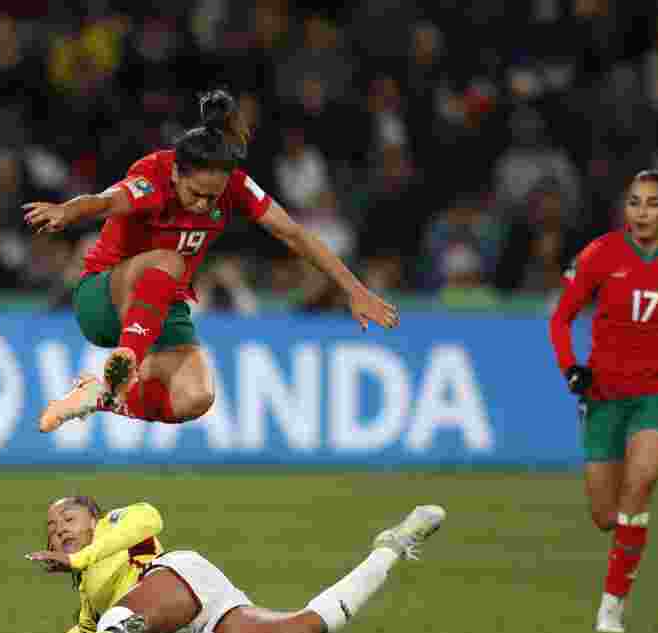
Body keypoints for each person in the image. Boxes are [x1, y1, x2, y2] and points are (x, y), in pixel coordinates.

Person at [25, 90, 398, 431]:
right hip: (103, 297)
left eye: (213, 197)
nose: (205, 204)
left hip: (159, 304)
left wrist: (354, 290)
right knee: (171, 261)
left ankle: (98, 395)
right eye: (197, 194)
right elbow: (104, 202)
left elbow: (294, 234)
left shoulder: (234, 186)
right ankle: (127, 359)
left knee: (195, 396)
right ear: (175, 173)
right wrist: (67, 211)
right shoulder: (152, 178)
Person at [549, 170, 658, 633]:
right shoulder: (600, 254)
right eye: (634, 203)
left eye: (652, 204)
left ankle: (612, 605)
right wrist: (572, 367)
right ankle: (622, 558)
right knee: (605, 516)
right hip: (605, 395)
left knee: (642, 480)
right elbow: (562, 318)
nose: (642, 213)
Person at [23, 496, 445, 633]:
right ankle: (391, 545)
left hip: (180, 579)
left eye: (68, 518)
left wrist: (78, 556)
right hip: (191, 632)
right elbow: (80, 631)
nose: (58, 528)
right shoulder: (86, 587)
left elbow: (149, 518)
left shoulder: (114, 525)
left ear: (94, 519)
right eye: (51, 525)